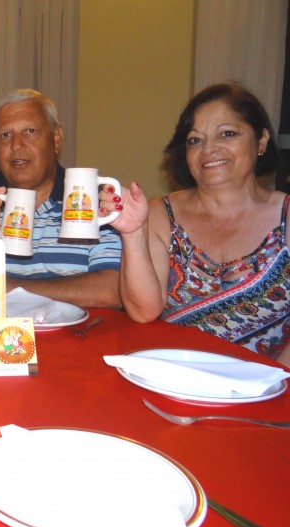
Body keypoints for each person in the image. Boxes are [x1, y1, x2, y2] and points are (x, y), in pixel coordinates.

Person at [101, 83, 289, 364]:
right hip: (173, 375)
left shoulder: (286, 217)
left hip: (266, 383)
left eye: (227, 133)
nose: (209, 149)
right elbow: (143, 312)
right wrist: (133, 232)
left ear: (261, 140)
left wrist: (274, 382)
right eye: (195, 140)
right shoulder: (161, 213)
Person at [0, 89, 122, 308]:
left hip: (78, 329)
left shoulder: (95, 202)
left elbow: (111, 291)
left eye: (30, 131)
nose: (16, 145)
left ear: (56, 138)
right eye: (5, 135)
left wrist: (7, 289)